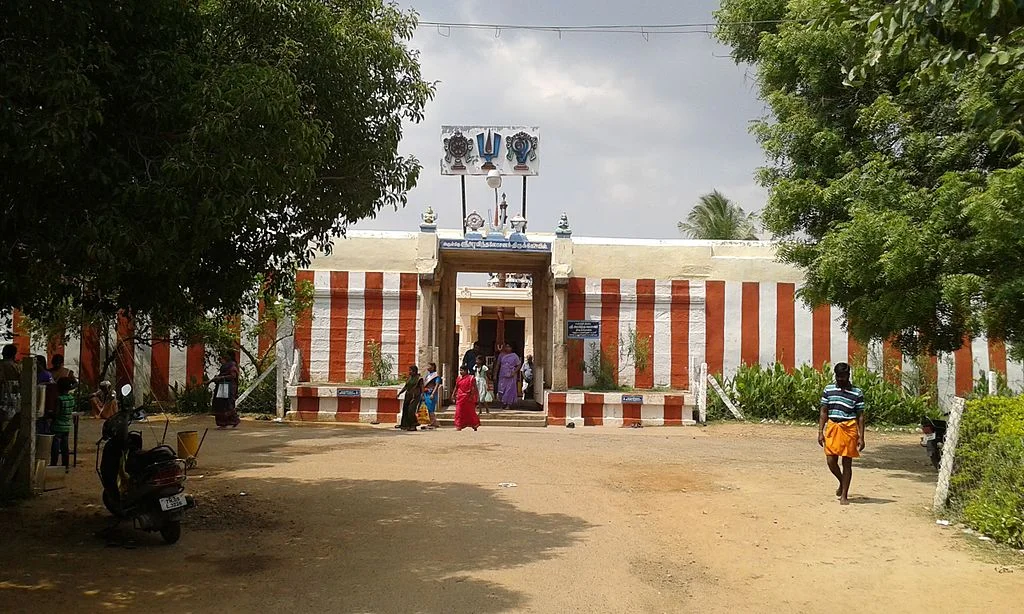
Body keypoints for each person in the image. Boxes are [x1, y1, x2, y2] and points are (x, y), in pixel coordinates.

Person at [818, 362, 866, 505]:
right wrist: (820, 431)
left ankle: (844, 495)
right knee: (831, 460)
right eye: (838, 376)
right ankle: (841, 481)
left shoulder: (857, 392)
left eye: (843, 376)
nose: (840, 379)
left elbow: (860, 416)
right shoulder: (829, 389)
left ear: (848, 375)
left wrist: (861, 437)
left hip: (849, 427)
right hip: (833, 426)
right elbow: (823, 411)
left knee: (847, 462)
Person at [209, 350, 240, 429]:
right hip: (221, 386)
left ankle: (233, 420)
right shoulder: (225, 365)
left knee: (227, 404)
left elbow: (232, 376)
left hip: (229, 387)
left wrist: (221, 378)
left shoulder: (232, 365)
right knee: (220, 404)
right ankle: (223, 423)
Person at [51, 377, 76, 472]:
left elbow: (56, 413)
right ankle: (65, 465)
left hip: (58, 425)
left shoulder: (59, 399)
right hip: (66, 426)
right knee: (65, 447)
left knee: (55, 447)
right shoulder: (71, 398)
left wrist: (50, 415)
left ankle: (54, 464)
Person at [453, 365, 480, 431]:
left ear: (466, 371)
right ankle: (459, 425)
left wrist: (474, 396)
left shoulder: (471, 378)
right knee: (459, 411)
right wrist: (453, 394)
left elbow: (474, 388)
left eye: (462, 370)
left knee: (470, 412)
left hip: (468, 398)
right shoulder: (459, 378)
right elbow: (456, 387)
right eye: (460, 370)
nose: (460, 372)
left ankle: (474, 425)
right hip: (460, 397)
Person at [496, 343, 522, 410]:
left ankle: (508, 405)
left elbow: (519, 364)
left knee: (509, 390)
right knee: (501, 390)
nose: (507, 348)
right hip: (502, 375)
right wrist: (495, 374)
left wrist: (514, 371)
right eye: (506, 347)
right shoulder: (501, 355)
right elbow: (498, 364)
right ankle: (503, 403)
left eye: (509, 347)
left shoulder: (514, 356)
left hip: (511, 375)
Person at [397, 365, 423, 431]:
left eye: (410, 370)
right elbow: (406, 387)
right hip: (408, 395)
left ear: (415, 371)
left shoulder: (419, 379)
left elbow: (422, 388)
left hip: (415, 396)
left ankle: (414, 424)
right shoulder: (409, 378)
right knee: (405, 410)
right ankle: (406, 425)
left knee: (411, 410)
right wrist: (400, 393)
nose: (409, 372)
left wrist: (422, 396)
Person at [422, 362, 441, 430]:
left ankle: (434, 422)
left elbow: (437, 385)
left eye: (429, 366)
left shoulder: (436, 376)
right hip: (426, 393)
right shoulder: (428, 375)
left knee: (431, 409)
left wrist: (433, 393)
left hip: (431, 393)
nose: (428, 367)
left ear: (433, 367)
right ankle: (432, 422)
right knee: (428, 409)